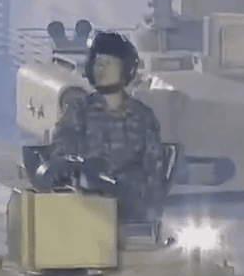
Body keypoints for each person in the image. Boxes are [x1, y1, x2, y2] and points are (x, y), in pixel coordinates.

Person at [49, 32, 167, 223]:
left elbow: (154, 170)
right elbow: (61, 149)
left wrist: (152, 213)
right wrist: (81, 166)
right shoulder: (79, 110)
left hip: (130, 210)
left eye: (108, 63)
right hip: (86, 207)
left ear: (125, 69)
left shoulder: (143, 117)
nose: (101, 69)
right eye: (98, 63)